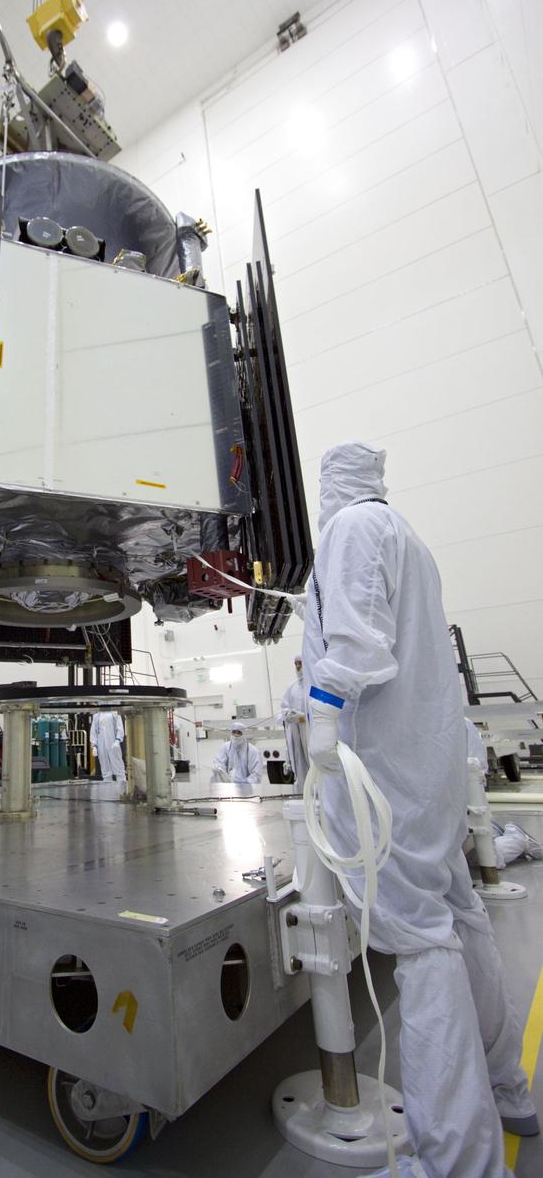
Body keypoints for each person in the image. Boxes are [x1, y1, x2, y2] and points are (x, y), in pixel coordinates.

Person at [300, 441, 536, 1178]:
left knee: (421, 950)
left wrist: (319, 710)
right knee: (460, 921)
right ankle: (508, 1090)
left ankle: (458, 1161)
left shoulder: (349, 531)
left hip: (386, 784)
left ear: (328, 485)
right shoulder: (407, 537)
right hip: (426, 773)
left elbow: (360, 650)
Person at [465, 718, 542, 868]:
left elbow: (477, 776)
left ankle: (517, 838)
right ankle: (491, 830)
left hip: (461, 818)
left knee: (486, 859)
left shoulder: (459, 725)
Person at [277, 655, 309, 785]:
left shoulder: (314, 685)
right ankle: (302, 784)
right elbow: (284, 708)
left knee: (311, 757)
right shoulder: (292, 687)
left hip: (310, 729)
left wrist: (303, 717)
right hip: (295, 730)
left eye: (300, 663)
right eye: (295, 663)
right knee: (298, 758)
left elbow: (321, 708)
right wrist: (288, 714)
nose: (297, 666)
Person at [89, 710, 126, 784]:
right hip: (101, 744)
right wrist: (94, 746)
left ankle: (122, 790)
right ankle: (107, 791)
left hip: (113, 743)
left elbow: (120, 727)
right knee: (105, 769)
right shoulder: (97, 715)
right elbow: (93, 730)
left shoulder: (115, 713)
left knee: (118, 767)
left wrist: (118, 740)